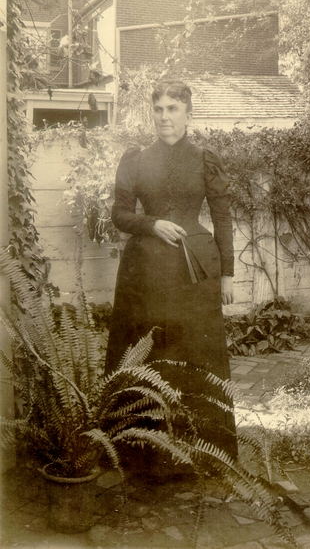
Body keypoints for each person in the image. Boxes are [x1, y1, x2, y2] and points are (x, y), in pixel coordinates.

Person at [105, 80, 237, 463]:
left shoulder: (205, 158)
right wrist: (152, 224)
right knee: (145, 354)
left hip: (194, 271)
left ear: (188, 113)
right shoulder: (135, 159)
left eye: (173, 108)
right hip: (144, 271)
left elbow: (223, 217)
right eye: (159, 109)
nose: (165, 116)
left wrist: (227, 273)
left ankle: (203, 452)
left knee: (196, 354)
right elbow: (120, 214)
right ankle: (141, 454)